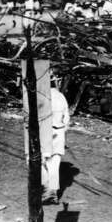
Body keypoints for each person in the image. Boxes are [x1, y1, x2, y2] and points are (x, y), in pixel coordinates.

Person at [42, 76, 69, 204]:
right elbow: (67, 120)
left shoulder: (42, 97)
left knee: (42, 162)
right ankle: (52, 193)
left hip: (46, 132)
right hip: (59, 133)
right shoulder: (61, 97)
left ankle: (47, 191)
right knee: (54, 165)